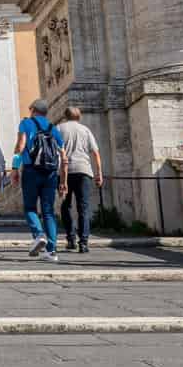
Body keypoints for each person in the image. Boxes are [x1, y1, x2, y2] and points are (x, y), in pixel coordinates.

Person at [12, 99, 63, 261]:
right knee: (48, 211)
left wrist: (14, 167)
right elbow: (63, 154)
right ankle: (52, 251)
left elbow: (20, 145)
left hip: (31, 170)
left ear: (33, 109)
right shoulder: (52, 128)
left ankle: (39, 234)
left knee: (30, 208)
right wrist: (63, 178)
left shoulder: (26, 124)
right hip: (51, 172)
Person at [55, 106, 103, 255]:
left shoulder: (58, 128)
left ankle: (70, 238)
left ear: (65, 116)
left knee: (65, 205)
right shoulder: (85, 130)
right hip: (84, 170)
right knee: (83, 207)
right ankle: (84, 242)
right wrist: (99, 173)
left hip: (64, 171)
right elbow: (95, 153)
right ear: (79, 116)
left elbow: (53, 149)